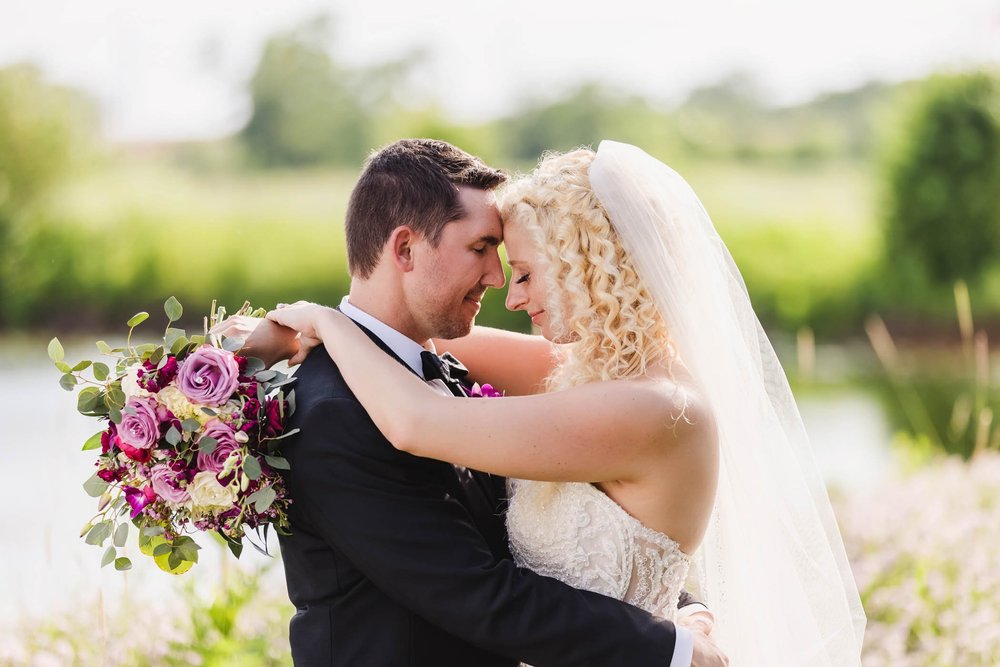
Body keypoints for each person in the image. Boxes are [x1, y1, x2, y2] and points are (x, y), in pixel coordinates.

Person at [265, 140, 867, 665]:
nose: (506, 287)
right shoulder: (581, 377)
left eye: (523, 269)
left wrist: (324, 321)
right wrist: (259, 340)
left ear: (584, 268)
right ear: (404, 249)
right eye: (486, 251)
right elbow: (409, 329)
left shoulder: (649, 403)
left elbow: (418, 416)